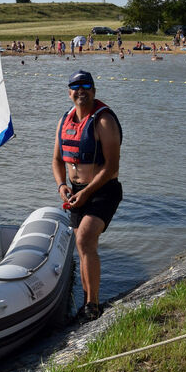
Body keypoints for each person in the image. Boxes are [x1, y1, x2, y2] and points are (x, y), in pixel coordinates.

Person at [52, 70, 122, 323]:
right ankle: (86, 303)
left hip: (104, 189)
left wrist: (87, 193)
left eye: (86, 86)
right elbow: (58, 160)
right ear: (69, 91)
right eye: (75, 86)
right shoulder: (65, 119)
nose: (80, 91)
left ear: (94, 91)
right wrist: (62, 186)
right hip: (76, 191)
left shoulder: (104, 121)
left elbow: (112, 167)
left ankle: (93, 305)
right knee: (83, 247)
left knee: (84, 238)